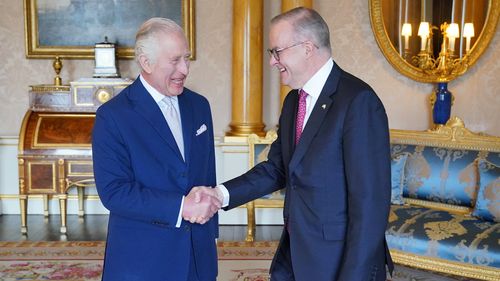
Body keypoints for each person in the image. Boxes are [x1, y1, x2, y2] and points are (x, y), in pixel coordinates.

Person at [191, 7, 393, 281]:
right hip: (296, 251)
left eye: (277, 51)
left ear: (307, 48)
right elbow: (277, 168)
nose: (273, 61)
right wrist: (220, 195)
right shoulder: (293, 101)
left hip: (339, 261)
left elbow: (369, 204)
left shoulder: (357, 101)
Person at [92, 18, 221, 281]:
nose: (184, 69)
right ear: (146, 62)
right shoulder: (113, 116)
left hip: (198, 255)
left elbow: (207, 175)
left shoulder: (199, 106)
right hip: (142, 260)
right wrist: (180, 207)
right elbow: (114, 192)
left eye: (186, 58)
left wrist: (210, 233)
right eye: (175, 61)